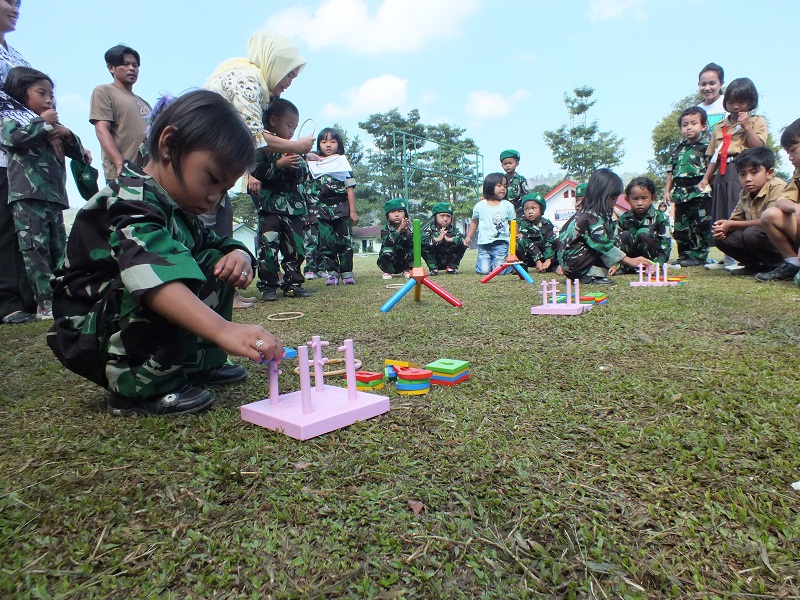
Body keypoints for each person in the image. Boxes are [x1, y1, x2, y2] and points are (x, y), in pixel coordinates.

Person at [47, 90, 283, 417]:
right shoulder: (131, 198)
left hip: (113, 314)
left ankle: (198, 362)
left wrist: (239, 254)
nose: (214, 198)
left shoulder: (178, 212)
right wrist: (223, 330)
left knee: (215, 261)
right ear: (169, 145)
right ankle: (138, 386)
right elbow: (149, 272)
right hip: (89, 328)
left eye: (224, 190)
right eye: (212, 179)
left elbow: (215, 243)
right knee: (159, 275)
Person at [0, 67, 90, 320]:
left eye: (51, 94)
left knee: (59, 250)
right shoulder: (13, 119)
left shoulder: (52, 126)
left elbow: (79, 153)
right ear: (21, 93)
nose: (49, 100)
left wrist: (68, 134)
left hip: (54, 198)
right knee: (35, 251)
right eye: (42, 93)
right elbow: (12, 138)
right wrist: (43, 123)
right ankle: (45, 303)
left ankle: (63, 300)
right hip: (27, 197)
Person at [698, 78, 767, 270]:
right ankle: (728, 257)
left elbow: (759, 148)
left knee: (740, 211)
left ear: (751, 102)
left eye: (741, 102)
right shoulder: (720, 126)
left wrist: (746, 126)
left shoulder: (757, 121)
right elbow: (714, 155)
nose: (736, 106)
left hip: (743, 170)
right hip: (722, 172)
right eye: (731, 102)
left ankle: (745, 257)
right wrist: (706, 178)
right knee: (722, 211)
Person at [250, 98, 310, 301]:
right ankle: (268, 286)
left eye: (294, 127)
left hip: (293, 206)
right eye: (289, 125)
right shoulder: (262, 146)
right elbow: (256, 172)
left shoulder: (296, 148)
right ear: (273, 121)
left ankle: (293, 284)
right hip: (269, 205)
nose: (292, 131)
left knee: (296, 247)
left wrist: (295, 165)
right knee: (268, 247)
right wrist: (278, 164)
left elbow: (304, 176)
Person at [0, 0, 36, 324]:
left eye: (18, 3)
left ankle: (27, 299)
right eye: (9, 1)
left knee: (22, 227)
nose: (16, 9)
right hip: (2, 150)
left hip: (26, 157)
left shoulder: (17, 57)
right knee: (3, 226)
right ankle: (6, 303)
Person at [558, 168, 652, 284]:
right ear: (601, 195)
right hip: (575, 265)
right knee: (607, 243)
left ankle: (592, 273)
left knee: (616, 238)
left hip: (571, 264)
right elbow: (603, 245)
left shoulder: (586, 214)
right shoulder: (591, 217)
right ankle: (591, 275)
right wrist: (630, 261)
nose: (614, 202)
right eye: (612, 198)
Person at [711, 147, 786, 277]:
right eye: (742, 174)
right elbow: (734, 220)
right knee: (722, 237)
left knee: (751, 233)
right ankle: (755, 266)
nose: (748, 179)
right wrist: (723, 227)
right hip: (759, 238)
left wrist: (731, 224)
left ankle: (780, 266)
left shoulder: (777, 187)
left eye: (754, 172)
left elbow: (769, 221)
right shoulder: (744, 193)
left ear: (769, 173)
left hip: (782, 242)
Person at [89, 44, 151, 182]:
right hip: (123, 176)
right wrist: (120, 164)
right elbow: (102, 130)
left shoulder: (145, 104)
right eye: (126, 64)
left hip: (147, 177)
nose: (132, 68)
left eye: (135, 65)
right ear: (111, 68)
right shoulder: (104, 91)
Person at [309, 127, 358, 285]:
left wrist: (353, 212)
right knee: (326, 242)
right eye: (324, 142)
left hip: (341, 208)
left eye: (333, 141)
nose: (328, 145)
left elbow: (350, 189)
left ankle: (347, 273)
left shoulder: (343, 163)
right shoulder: (314, 163)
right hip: (322, 210)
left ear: (339, 144)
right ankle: (332, 272)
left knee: (345, 241)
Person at [665, 106, 712, 266]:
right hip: (680, 193)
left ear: (703, 126)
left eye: (693, 123)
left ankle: (699, 256)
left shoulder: (706, 147)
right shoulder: (677, 150)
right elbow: (670, 172)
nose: (689, 128)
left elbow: (711, 170)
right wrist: (667, 191)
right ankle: (684, 254)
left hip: (699, 192)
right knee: (681, 227)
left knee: (701, 225)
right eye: (685, 125)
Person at [757, 118, 800, 282]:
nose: (789, 157)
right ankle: (793, 264)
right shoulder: (798, 173)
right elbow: (782, 201)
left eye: (793, 150)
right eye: (787, 152)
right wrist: (795, 207)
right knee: (770, 215)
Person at [464, 173, 516, 274]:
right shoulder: (479, 206)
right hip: (484, 244)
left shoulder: (508, 206)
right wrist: (468, 236)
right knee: (484, 271)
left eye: (505, 186)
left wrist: (515, 235)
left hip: (501, 243)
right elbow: (474, 222)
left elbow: (512, 223)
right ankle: (486, 263)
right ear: (489, 186)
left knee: (498, 272)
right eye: (499, 185)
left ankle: (508, 267)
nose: (503, 188)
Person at [617, 177, 671, 267]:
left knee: (642, 233)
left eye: (644, 198)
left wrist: (657, 264)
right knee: (624, 235)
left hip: (652, 263)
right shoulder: (624, 218)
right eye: (635, 199)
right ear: (627, 200)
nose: (640, 203)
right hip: (631, 262)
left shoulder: (660, 217)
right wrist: (615, 264)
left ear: (652, 198)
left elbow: (666, 245)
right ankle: (628, 267)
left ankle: (649, 265)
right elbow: (616, 244)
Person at [516, 192, 558, 273]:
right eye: (526, 209)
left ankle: (552, 265)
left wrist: (548, 260)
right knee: (519, 239)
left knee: (557, 240)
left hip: (546, 255)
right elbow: (526, 242)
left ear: (541, 210)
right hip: (530, 257)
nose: (530, 212)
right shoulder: (522, 224)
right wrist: (537, 260)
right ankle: (522, 268)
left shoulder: (547, 224)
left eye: (533, 208)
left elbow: (549, 242)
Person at [420, 201, 466, 275]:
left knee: (464, 244)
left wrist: (449, 239)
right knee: (422, 245)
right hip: (435, 258)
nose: (445, 219)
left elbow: (464, 238)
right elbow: (420, 240)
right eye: (442, 216)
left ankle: (452, 268)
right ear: (435, 217)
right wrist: (437, 239)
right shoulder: (428, 229)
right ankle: (433, 269)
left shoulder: (453, 229)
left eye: (448, 216)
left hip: (448, 258)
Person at [377, 197, 413, 278]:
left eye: (400, 211)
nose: (396, 215)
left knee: (414, 249)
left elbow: (412, 243)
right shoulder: (385, 228)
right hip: (391, 260)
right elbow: (387, 242)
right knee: (387, 250)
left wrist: (406, 231)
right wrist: (400, 229)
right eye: (392, 212)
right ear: (388, 215)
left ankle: (407, 269)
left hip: (403, 259)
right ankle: (387, 271)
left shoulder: (409, 228)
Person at [697, 63, 727, 134]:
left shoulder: (729, 105)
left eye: (712, 83)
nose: (707, 88)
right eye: (703, 84)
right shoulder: (695, 110)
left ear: (721, 83)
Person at [499, 149, 528, 216]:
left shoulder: (521, 179)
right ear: (502, 165)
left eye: (510, 163)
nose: (507, 165)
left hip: (519, 211)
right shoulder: (500, 180)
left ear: (517, 164)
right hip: (504, 211)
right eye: (505, 164)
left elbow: (526, 195)